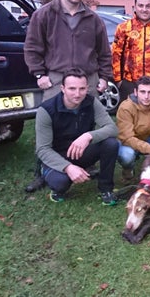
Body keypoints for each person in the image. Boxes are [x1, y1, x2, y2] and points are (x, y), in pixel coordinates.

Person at [24, 0, 112, 193]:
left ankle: (84, 162)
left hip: (87, 78)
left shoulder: (93, 19)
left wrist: (104, 77)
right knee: (51, 123)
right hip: (55, 77)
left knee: (86, 121)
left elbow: (103, 52)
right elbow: (33, 47)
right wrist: (39, 74)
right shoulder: (44, 14)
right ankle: (43, 169)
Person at [35, 69, 119, 205]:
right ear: (63, 88)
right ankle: (52, 181)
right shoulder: (46, 110)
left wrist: (88, 136)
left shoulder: (91, 102)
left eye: (82, 89)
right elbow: (43, 149)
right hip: (57, 156)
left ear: (87, 88)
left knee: (111, 143)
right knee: (60, 182)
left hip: (80, 151)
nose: (77, 94)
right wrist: (68, 167)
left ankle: (106, 188)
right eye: (72, 88)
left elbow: (112, 129)